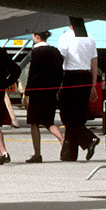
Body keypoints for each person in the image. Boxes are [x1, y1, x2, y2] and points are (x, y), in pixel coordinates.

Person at [22, 29, 66, 163]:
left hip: (37, 92)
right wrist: (57, 88)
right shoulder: (55, 51)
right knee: (49, 121)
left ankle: (37, 154)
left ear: (36, 36)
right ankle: (63, 141)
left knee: (34, 122)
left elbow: (33, 74)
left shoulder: (36, 52)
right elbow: (60, 72)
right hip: (51, 91)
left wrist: (27, 93)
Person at [59, 24, 101, 161]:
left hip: (71, 77)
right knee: (77, 115)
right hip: (86, 76)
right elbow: (94, 63)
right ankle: (69, 154)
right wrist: (93, 85)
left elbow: (61, 58)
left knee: (66, 115)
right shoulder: (90, 38)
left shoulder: (65, 37)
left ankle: (89, 139)